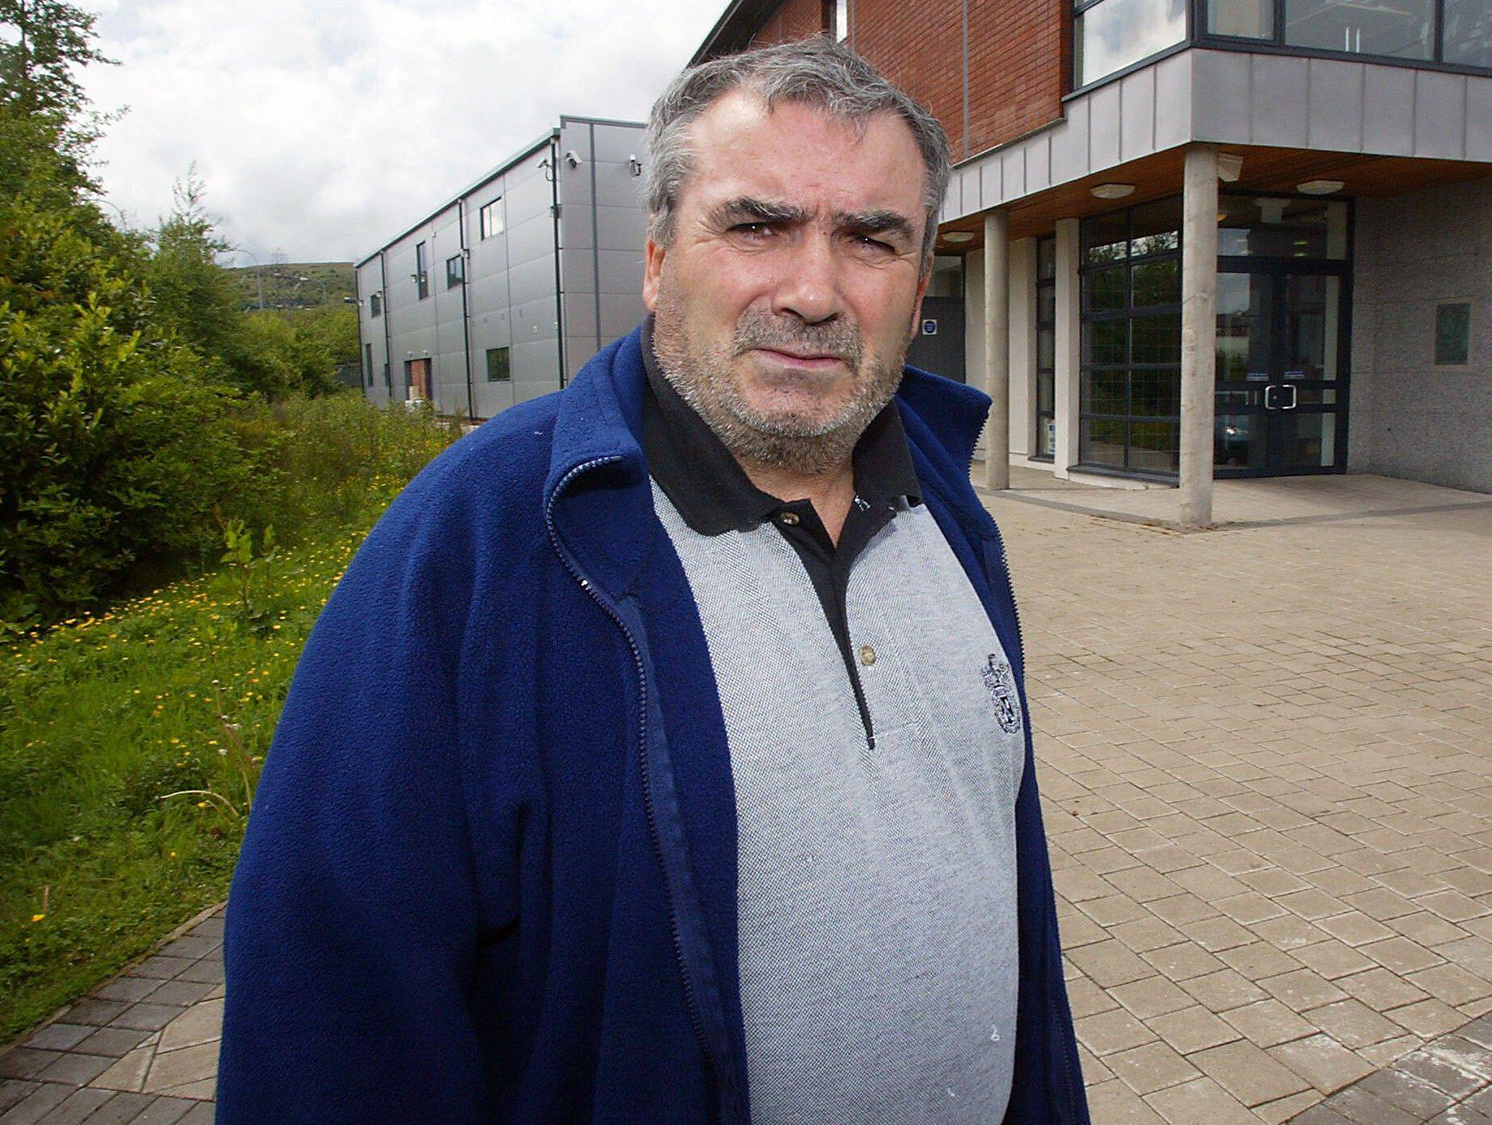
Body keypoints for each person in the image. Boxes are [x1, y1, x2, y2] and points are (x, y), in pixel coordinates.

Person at [216, 36, 1090, 1125]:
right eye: (756, 225)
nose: (813, 291)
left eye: (871, 240)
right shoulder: (480, 542)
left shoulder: (948, 512)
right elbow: (329, 1015)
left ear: (919, 290)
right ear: (656, 257)